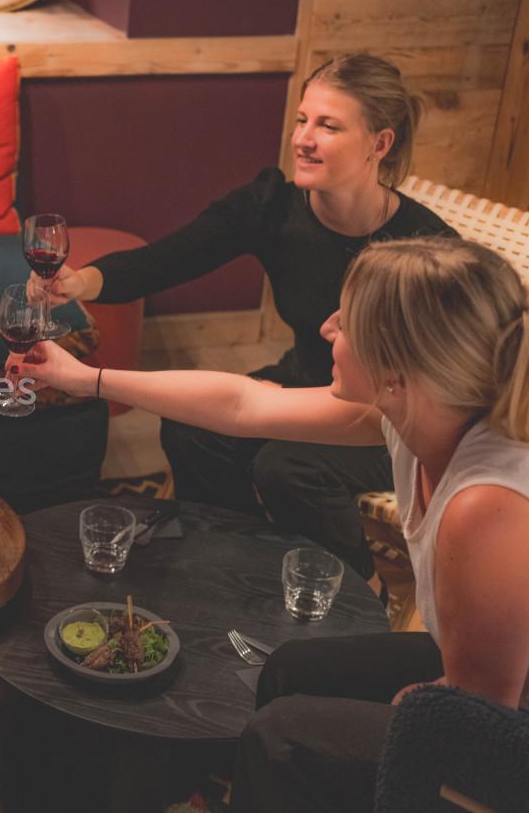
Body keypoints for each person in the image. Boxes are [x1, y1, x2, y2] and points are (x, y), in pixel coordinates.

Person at [13, 236, 529, 812]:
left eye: (348, 320)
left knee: (281, 738)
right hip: (477, 685)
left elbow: (479, 721)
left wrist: (414, 700)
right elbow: (243, 405)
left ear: (396, 372)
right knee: (285, 669)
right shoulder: (413, 409)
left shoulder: (487, 509)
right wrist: (86, 377)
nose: (328, 328)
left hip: (506, 733)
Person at [30, 53, 455, 579]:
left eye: (328, 125)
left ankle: (350, 590)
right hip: (304, 381)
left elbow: (438, 395)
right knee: (193, 429)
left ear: (379, 143)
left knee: (287, 464)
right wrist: (82, 281)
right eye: (303, 119)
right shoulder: (275, 205)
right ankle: (232, 568)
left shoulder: (423, 250)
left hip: (386, 420)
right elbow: (174, 255)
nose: (303, 137)